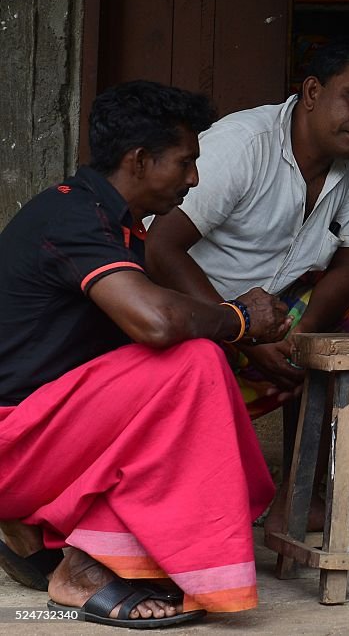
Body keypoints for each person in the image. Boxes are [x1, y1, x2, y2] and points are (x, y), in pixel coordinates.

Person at [0, 81, 291, 628]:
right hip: (13, 443)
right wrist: (239, 319)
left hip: (41, 435)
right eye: (185, 163)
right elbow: (157, 323)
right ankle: (82, 568)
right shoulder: (71, 219)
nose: (195, 178)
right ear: (139, 160)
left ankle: (65, 538)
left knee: (190, 364)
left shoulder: (113, 225)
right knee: (193, 362)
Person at [145, 36, 349, 417]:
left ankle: (308, 470)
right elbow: (158, 248)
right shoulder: (245, 144)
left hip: (271, 316)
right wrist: (241, 331)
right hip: (196, 309)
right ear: (313, 91)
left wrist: (303, 337)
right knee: (201, 360)